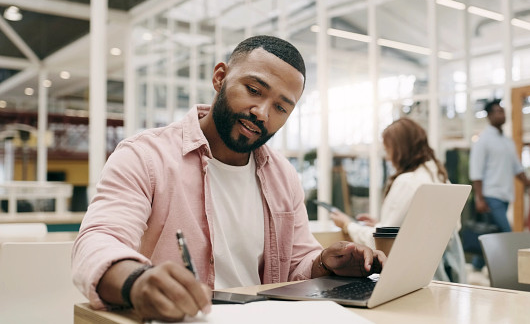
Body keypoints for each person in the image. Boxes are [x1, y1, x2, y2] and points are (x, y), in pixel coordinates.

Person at [71, 35, 386, 322]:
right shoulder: (145, 156)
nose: (262, 112)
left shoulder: (282, 176)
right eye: (253, 90)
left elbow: (296, 263)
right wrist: (136, 281)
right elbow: (98, 241)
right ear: (219, 77)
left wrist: (326, 264)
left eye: (280, 107)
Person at [329, 117, 467, 283]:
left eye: (388, 150)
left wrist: (347, 224)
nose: (387, 157)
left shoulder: (407, 182)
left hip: (407, 277)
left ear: (400, 149)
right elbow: (444, 228)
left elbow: (382, 244)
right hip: (439, 275)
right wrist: (380, 224)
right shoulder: (438, 176)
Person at [469, 99, 530, 270]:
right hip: (491, 196)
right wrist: (479, 198)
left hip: (505, 195)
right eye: (497, 111)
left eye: (502, 111)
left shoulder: (507, 141)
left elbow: (516, 167)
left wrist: (528, 183)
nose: (502, 114)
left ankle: (476, 265)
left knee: (491, 233)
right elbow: (476, 171)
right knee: (506, 233)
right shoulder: (483, 140)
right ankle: (512, 270)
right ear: (489, 116)